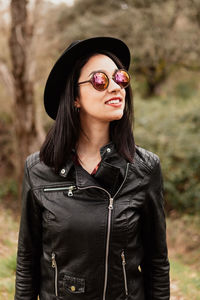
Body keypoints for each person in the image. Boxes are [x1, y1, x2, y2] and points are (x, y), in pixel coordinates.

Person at [15, 36, 170, 300]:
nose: (115, 87)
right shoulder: (39, 169)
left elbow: (157, 264)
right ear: (75, 98)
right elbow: (27, 263)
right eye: (100, 80)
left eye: (120, 78)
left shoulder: (144, 168)